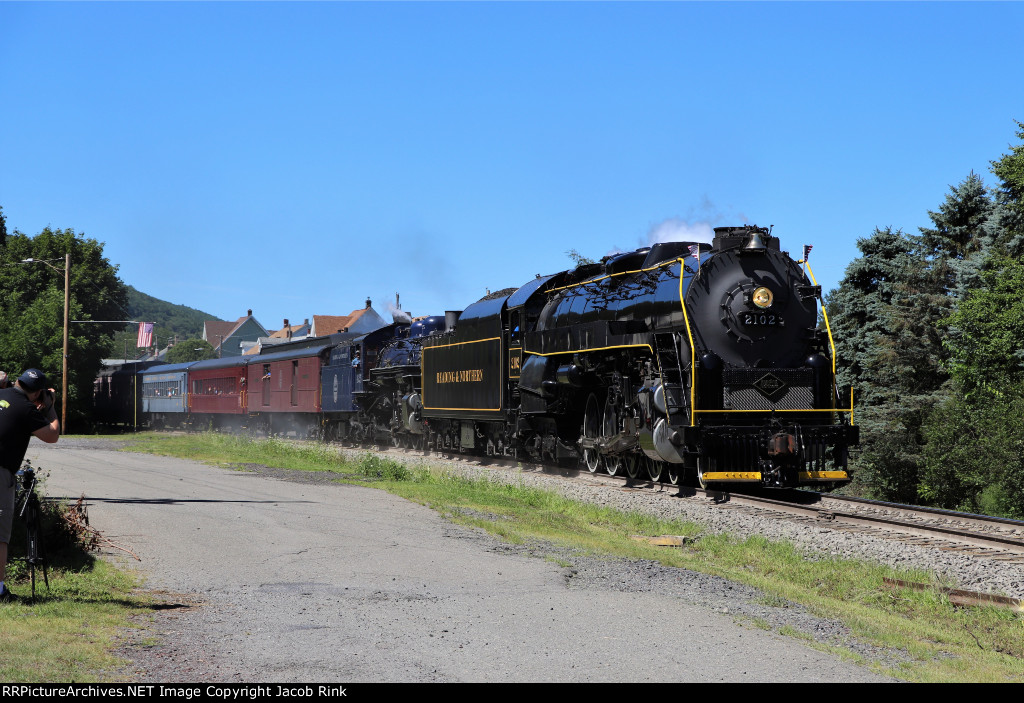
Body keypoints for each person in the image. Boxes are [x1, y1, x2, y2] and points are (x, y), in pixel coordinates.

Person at [0, 369, 60, 602]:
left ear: (17, 382)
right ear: (37, 393)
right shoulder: (26, 409)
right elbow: (52, 435)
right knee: (0, 536)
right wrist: (51, 406)